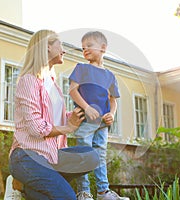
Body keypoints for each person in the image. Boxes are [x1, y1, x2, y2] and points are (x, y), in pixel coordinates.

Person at [7, 29, 99, 200]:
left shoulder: (52, 84)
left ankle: (23, 185)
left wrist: (83, 112)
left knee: (91, 156)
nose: (63, 50)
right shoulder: (29, 80)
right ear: (47, 47)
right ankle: (26, 181)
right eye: (60, 44)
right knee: (67, 197)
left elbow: (57, 118)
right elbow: (36, 128)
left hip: (52, 156)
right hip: (28, 156)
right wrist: (67, 128)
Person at [69, 31, 129, 200]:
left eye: (89, 45)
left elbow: (113, 100)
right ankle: (84, 192)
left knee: (100, 155)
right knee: (84, 154)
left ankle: (103, 192)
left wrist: (112, 113)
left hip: (102, 125)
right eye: (82, 48)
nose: (85, 49)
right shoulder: (81, 68)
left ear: (103, 48)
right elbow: (73, 91)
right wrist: (87, 108)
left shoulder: (110, 75)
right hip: (85, 122)